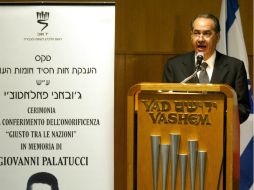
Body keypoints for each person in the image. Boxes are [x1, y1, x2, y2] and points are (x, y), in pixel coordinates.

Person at [163, 13, 250, 124]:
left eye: (206, 34)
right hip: (184, 135)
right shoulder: (174, 65)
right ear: (191, 36)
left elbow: (243, 108)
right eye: (196, 33)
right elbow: (165, 103)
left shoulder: (235, 67)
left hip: (220, 135)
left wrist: (215, 119)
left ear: (217, 37)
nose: (200, 39)